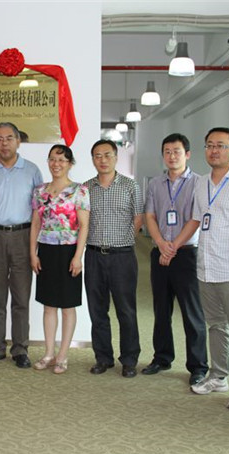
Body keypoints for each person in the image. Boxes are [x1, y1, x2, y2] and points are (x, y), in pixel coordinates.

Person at [173, 127, 229, 410]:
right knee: (215, 324)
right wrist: (174, 245)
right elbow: (196, 219)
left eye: (220, 146)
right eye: (210, 145)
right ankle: (219, 375)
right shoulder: (201, 183)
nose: (214, 150)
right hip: (206, 266)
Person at [142, 133, 208, 386]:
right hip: (160, 251)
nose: (172, 156)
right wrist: (161, 244)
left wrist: (174, 246)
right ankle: (162, 357)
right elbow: (150, 216)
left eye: (177, 151)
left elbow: (196, 218)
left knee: (192, 312)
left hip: (187, 254)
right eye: (167, 152)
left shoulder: (199, 183)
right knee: (161, 309)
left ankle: (198, 366)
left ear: (187, 154)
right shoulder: (155, 184)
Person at [0, 122, 43, 368]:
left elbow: (38, 209)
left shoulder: (32, 171)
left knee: (21, 296)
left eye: (9, 138)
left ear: (18, 141)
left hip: (23, 236)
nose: (4, 143)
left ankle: (20, 349)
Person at [84, 139, 143, 378]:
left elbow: (138, 218)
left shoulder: (130, 186)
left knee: (126, 311)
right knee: (97, 310)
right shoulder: (86, 188)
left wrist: (124, 240)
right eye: (98, 156)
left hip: (122, 257)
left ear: (116, 157)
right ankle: (103, 358)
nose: (103, 160)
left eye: (107, 155)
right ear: (93, 160)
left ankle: (129, 360)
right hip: (94, 255)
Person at [30, 145, 89, 374]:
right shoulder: (39, 191)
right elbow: (36, 224)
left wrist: (78, 257)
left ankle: (63, 355)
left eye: (62, 160)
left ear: (70, 164)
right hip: (46, 251)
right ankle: (48, 353)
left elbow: (84, 226)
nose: (57, 164)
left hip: (68, 252)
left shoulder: (79, 191)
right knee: (49, 305)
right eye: (53, 159)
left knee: (67, 306)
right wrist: (32, 253)